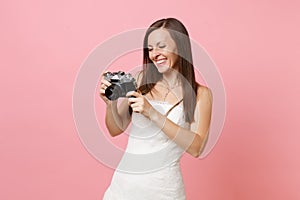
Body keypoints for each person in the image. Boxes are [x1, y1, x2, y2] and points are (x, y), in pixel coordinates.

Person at [99, 18, 213, 200]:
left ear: (180, 46)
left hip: (164, 191)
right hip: (122, 188)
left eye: (161, 46)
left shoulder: (201, 95)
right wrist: (110, 103)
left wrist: (152, 113)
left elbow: (196, 148)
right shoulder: (141, 79)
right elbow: (115, 129)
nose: (154, 54)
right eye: (150, 49)